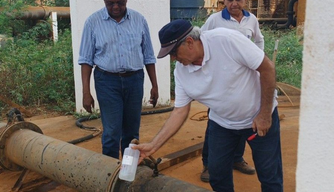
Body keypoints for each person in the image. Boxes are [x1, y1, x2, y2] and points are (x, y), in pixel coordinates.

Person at [133, 19, 283, 192]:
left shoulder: (226, 40)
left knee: (269, 176)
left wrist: (264, 114)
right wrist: (153, 145)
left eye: (173, 53)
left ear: (189, 42)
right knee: (217, 175)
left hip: (258, 118)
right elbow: (179, 111)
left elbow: (267, 69)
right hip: (222, 124)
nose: (173, 59)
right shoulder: (181, 72)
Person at [78, 0, 158, 159]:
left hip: (134, 80)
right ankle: (110, 173)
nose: (115, 7)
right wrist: (86, 92)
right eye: (111, 3)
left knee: (132, 131)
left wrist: (154, 85)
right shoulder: (93, 22)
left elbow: (148, 56)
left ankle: (129, 170)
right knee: (112, 132)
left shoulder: (139, 20)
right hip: (107, 81)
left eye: (120, 2)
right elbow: (86, 60)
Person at [199, 0, 265, 181]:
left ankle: (236, 159)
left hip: (243, 82)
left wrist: (257, 61)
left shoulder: (251, 20)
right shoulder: (214, 20)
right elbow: (200, 43)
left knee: (242, 121)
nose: (234, 3)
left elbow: (259, 40)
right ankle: (208, 164)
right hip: (221, 83)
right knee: (215, 123)